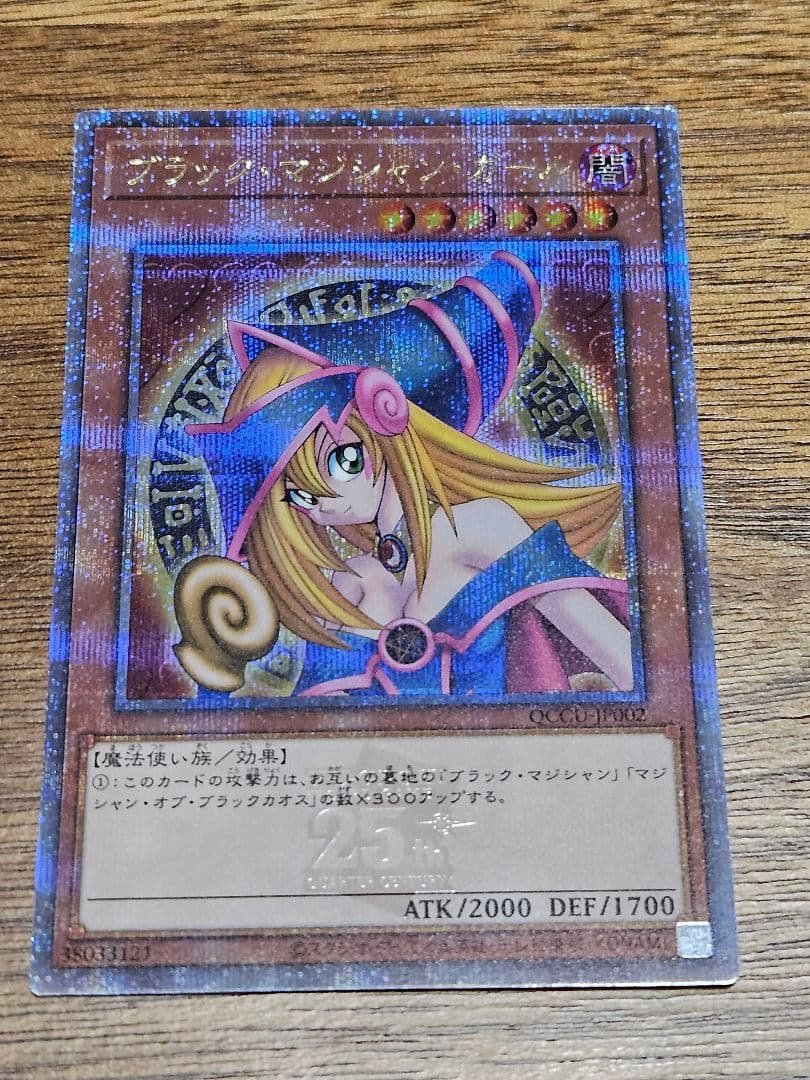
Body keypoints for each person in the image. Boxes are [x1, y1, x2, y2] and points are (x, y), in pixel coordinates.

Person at [173, 252, 633, 697]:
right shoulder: (348, 583)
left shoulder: (481, 527)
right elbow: (320, 723)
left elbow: (622, 660)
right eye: (301, 496)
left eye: (342, 462)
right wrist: (218, 674)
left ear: (387, 420)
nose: (325, 503)